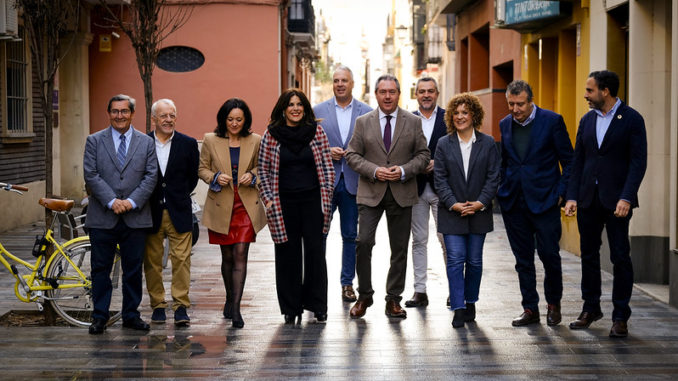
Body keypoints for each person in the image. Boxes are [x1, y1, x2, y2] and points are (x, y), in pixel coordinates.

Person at [565, 70, 647, 338]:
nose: (586, 95)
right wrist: (572, 195)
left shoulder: (632, 119)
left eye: (590, 90)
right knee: (588, 254)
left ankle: (620, 316)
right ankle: (591, 308)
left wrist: (626, 197)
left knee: (619, 256)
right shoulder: (587, 120)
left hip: (617, 202)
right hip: (588, 199)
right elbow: (578, 160)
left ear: (605, 92)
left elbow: (638, 162)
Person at [345, 74, 430, 319]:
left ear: (399, 94)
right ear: (376, 95)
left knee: (399, 248)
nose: (388, 96)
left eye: (392, 91)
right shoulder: (363, 122)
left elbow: (423, 155)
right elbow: (352, 155)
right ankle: (364, 296)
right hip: (371, 192)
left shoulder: (413, 122)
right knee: (363, 242)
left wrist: (403, 170)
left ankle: (393, 299)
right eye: (383, 92)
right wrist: (375, 170)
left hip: (402, 192)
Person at [498, 80, 573, 327]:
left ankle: (553, 304)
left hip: (545, 202)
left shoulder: (552, 121)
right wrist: (502, 189)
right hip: (514, 203)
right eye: (511, 104)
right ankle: (530, 308)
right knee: (523, 260)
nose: (515, 109)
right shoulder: (504, 124)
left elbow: (569, 162)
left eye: (520, 104)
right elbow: (507, 162)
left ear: (531, 101)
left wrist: (562, 193)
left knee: (550, 255)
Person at [258, 89, 334, 324]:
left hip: (313, 202)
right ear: (283, 108)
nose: (295, 108)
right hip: (283, 204)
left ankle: (317, 305)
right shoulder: (271, 134)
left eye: (299, 104)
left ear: (305, 108)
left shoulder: (316, 132)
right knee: (287, 255)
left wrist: (327, 194)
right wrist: (269, 199)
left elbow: (327, 166)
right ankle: (291, 308)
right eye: (290, 104)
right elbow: (262, 169)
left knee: (315, 253)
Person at [83, 94, 158, 334]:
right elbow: (91, 174)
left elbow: (151, 175)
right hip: (103, 217)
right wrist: (112, 201)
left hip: (135, 217)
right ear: (109, 113)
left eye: (124, 111)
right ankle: (100, 316)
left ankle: (131, 315)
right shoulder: (94, 140)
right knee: (100, 269)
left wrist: (132, 202)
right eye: (115, 111)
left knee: (133, 270)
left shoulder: (146, 142)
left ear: (132, 114)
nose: (119, 116)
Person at [199, 98, 267, 329]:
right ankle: (229, 298)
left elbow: (263, 166)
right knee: (227, 257)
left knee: (240, 254)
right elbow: (202, 168)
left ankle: (236, 308)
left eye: (239, 119)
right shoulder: (210, 139)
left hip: (246, 205)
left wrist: (253, 175)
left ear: (245, 119)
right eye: (230, 119)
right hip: (221, 204)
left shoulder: (256, 140)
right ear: (223, 119)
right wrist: (215, 177)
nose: (234, 123)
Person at [434, 93, 500, 328]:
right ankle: (458, 307)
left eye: (465, 112)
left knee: (474, 261)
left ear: (474, 115)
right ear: (451, 116)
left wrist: (481, 202)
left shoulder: (488, 143)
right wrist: (453, 203)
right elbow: (439, 179)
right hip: (451, 212)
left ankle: (471, 301)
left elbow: (493, 177)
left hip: (479, 212)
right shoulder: (443, 144)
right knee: (454, 260)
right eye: (456, 113)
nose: (460, 116)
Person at [313, 65, 372, 303]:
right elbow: (307, 144)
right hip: (325, 182)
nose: (339, 84)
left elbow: (373, 147)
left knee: (350, 235)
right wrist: (326, 151)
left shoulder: (367, 112)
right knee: (319, 235)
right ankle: (317, 283)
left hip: (353, 182)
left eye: (344, 80)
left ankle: (347, 284)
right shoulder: (317, 111)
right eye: (336, 80)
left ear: (352, 83)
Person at [144, 99, 199, 327]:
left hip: (179, 209)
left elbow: (193, 177)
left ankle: (180, 307)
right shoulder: (143, 142)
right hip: (150, 211)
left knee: (182, 260)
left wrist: (179, 195)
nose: (168, 120)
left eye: (172, 115)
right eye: (163, 116)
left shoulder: (187, 143)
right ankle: (158, 305)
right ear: (154, 119)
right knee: (152, 261)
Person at [406, 77, 448, 308]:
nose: (426, 95)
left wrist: (438, 164)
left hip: (444, 189)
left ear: (437, 93)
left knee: (447, 241)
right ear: (416, 94)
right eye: (422, 91)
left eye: (430, 91)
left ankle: (455, 291)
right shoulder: (408, 119)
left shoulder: (449, 118)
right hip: (416, 188)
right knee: (419, 240)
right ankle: (419, 291)